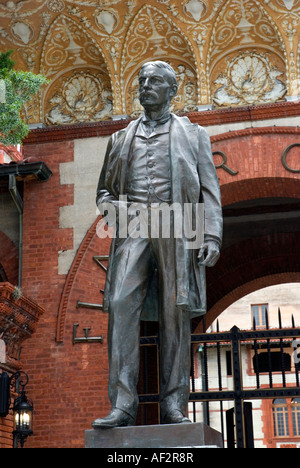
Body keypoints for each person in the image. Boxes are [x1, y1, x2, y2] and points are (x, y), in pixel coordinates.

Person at [93, 61, 222, 428]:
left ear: (171, 91)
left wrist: (210, 234)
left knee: (174, 314)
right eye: (143, 80)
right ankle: (122, 404)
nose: (146, 86)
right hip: (133, 224)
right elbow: (103, 191)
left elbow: (210, 191)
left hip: (178, 226)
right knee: (120, 304)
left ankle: (174, 405)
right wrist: (111, 206)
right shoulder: (119, 139)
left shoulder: (194, 135)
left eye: (156, 82)